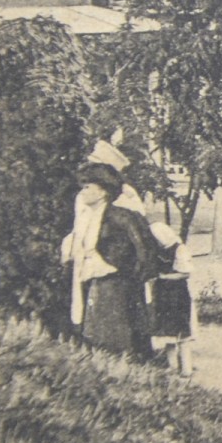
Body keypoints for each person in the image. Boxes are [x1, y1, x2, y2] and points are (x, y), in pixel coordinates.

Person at [61, 137, 159, 360]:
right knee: (86, 304)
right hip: (87, 258)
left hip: (113, 265)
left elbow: (136, 234)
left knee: (120, 311)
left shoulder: (126, 198)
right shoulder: (83, 198)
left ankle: (129, 351)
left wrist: (126, 265)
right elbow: (81, 225)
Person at [149, 220, 195, 376]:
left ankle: (187, 368)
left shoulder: (179, 249)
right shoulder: (157, 251)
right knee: (167, 331)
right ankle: (172, 365)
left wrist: (164, 277)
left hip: (177, 294)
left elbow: (185, 273)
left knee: (181, 331)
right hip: (162, 294)